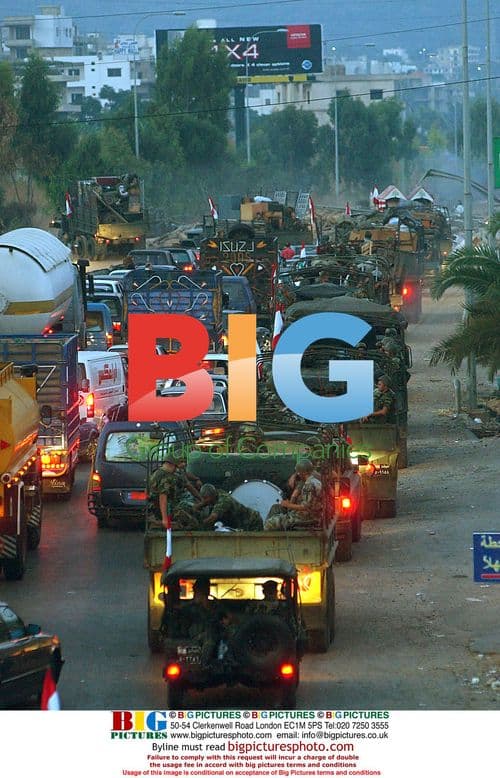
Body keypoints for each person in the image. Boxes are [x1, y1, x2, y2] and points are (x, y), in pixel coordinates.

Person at [264, 460, 323, 531]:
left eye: (298, 472)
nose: (298, 474)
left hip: (305, 518)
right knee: (276, 509)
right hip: (310, 515)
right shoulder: (315, 482)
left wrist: (288, 505)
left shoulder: (309, 485)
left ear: (304, 472)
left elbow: (305, 507)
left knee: (270, 523)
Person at [147, 453, 201, 530]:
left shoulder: (156, 473)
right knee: (194, 523)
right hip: (164, 510)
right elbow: (163, 498)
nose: (176, 469)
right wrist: (165, 519)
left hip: (156, 508)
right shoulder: (165, 477)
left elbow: (186, 483)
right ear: (170, 464)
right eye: (175, 467)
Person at [196, 484, 263, 531]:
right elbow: (204, 502)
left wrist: (199, 526)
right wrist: (197, 507)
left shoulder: (224, 500)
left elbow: (213, 517)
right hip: (240, 523)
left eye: (205, 498)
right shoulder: (215, 495)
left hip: (252, 521)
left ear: (212, 495)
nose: (204, 501)